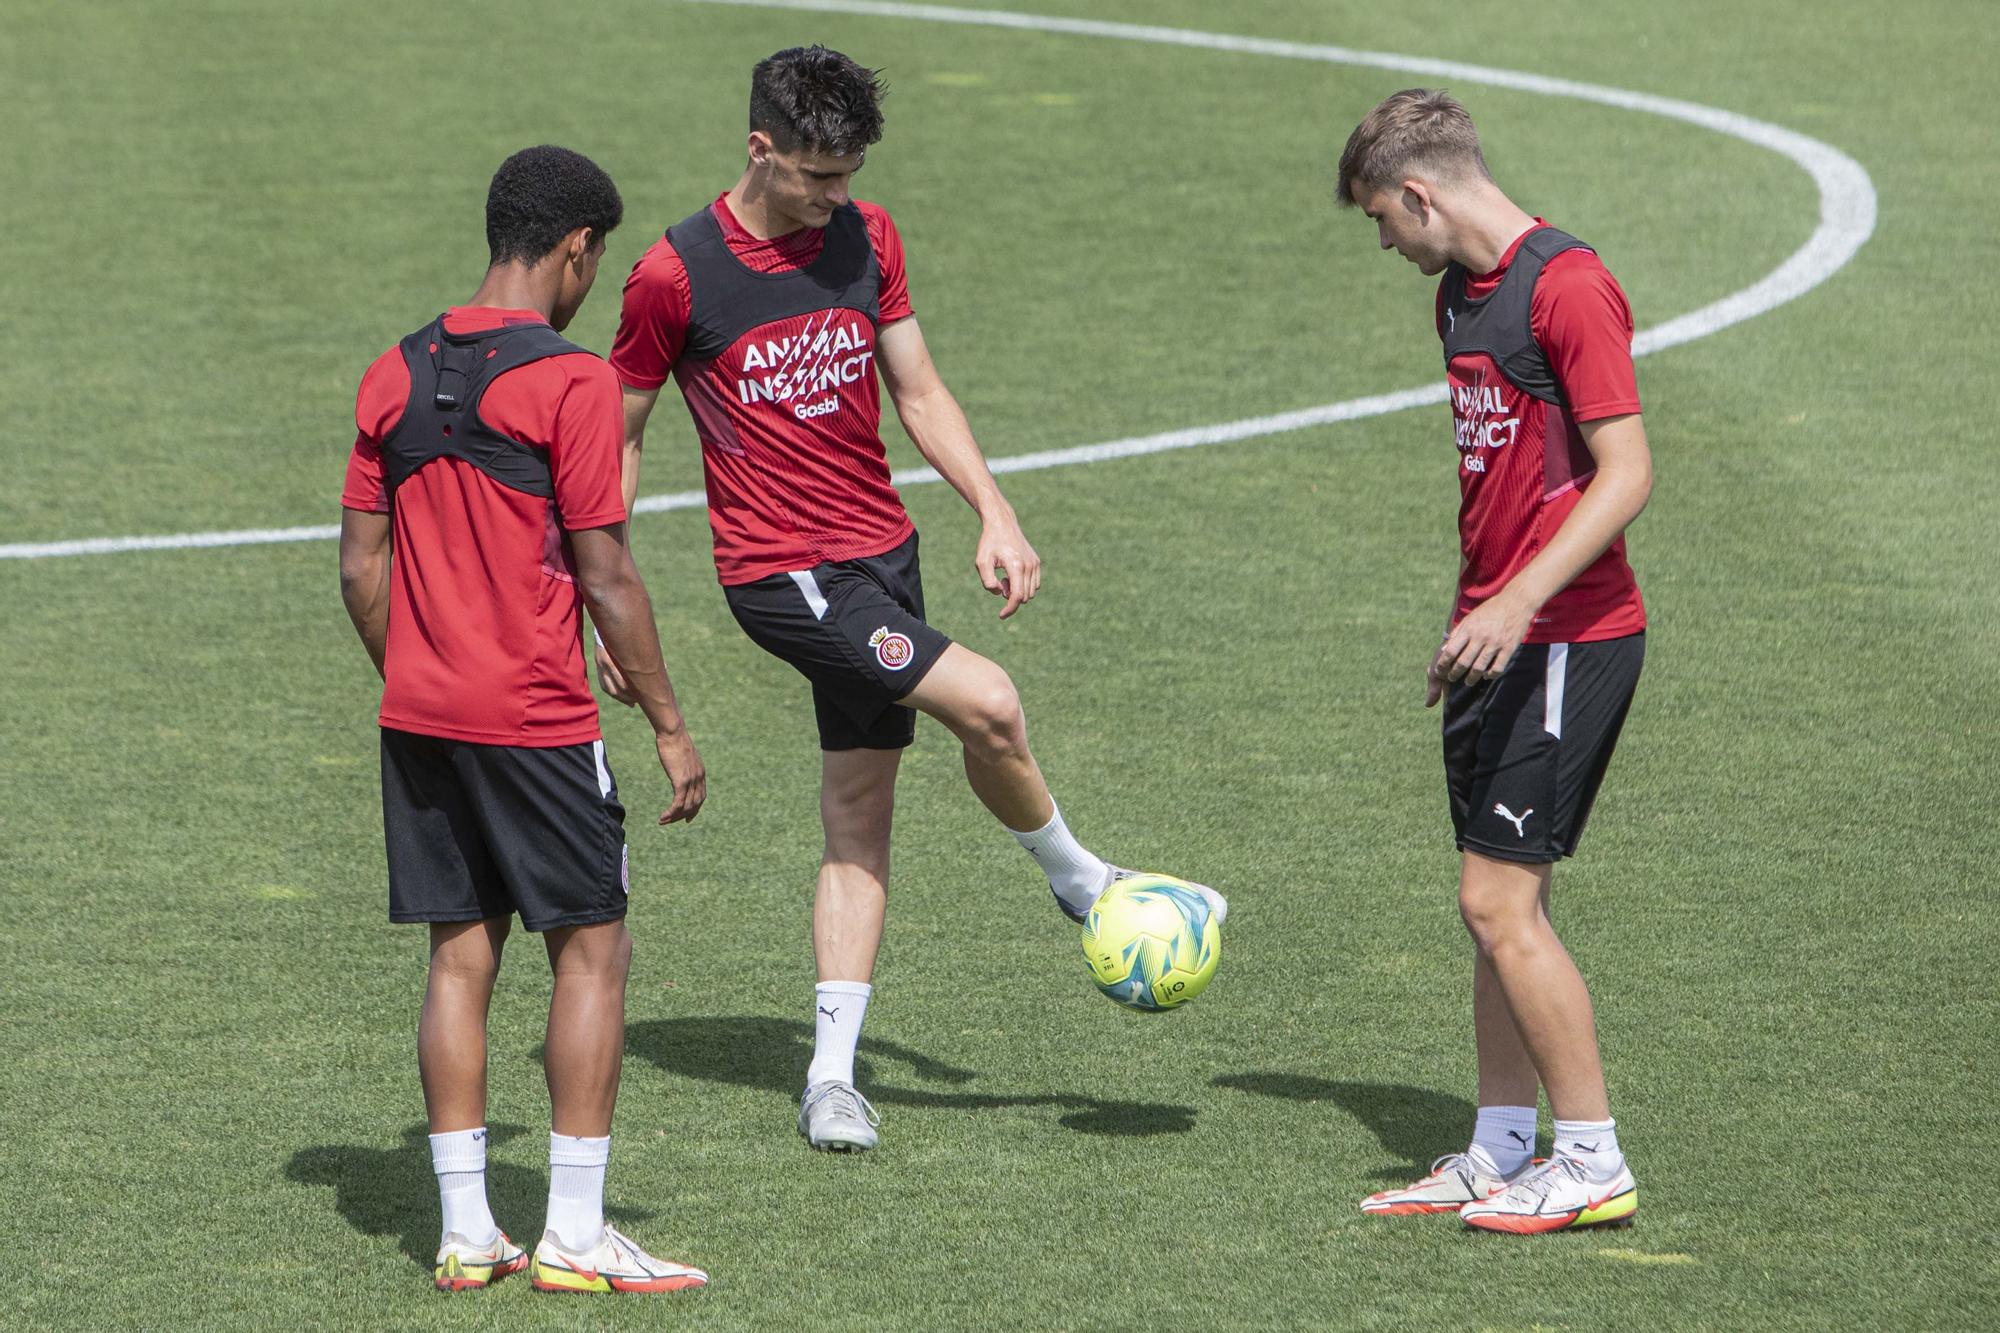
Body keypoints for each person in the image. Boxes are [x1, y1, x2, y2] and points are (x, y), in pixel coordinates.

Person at [603, 46, 1227, 1153]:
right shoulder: (675, 274)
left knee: (858, 817)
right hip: (780, 572)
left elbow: (917, 384)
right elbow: (619, 433)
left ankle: (830, 1080)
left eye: (846, 176)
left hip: (882, 554)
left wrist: (993, 509)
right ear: (759, 150)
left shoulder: (868, 236)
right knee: (986, 700)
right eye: (814, 177)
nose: (834, 200)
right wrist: (600, 598)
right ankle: (1082, 884)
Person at [338, 145, 711, 1292]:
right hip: (538, 722)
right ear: (576, 249)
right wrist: (666, 721)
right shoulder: (570, 383)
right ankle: (576, 1234)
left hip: (421, 717)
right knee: (592, 951)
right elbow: (607, 574)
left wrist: (418, 669)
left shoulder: (390, 373)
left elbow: (361, 567)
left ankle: (464, 1233)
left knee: (459, 955)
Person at [1335, 90, 1651, 1233]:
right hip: (1495, 641)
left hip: (1570, 639)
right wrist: (1473, 617)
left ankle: (1593, 1159)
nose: (1384, 243)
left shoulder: (1566, 286)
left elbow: (1624, 474)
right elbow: (1506, 485)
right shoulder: (1455, 301)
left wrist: (1516, 602)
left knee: (1496, 899)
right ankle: (1499, 1145)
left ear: (1419, 193)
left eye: (1383, 219)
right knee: (1493, 910)